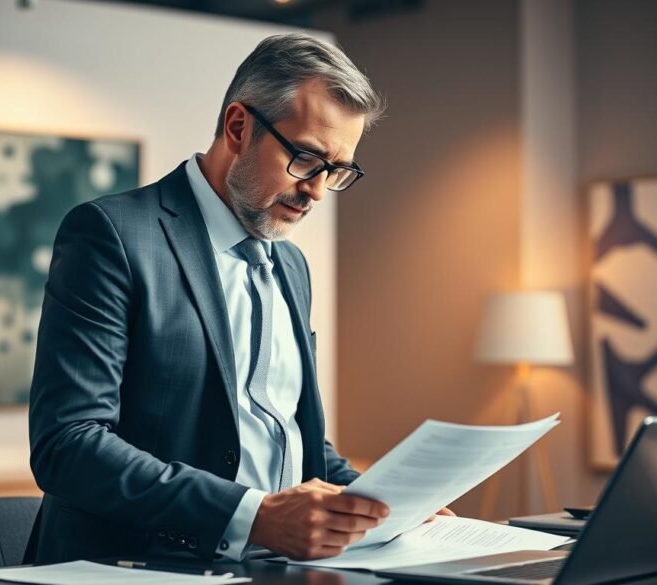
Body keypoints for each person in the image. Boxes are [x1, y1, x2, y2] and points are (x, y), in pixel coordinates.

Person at [27, 33, 427, 565]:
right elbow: (68, 444)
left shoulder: (291, 264)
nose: (316, 190)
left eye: (336, 171)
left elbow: (291, 433)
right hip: (134, 570)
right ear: (239, 127)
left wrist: (386, 506)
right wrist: (252, 514)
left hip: (273, 571)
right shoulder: (111, 235)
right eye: (307, 158)